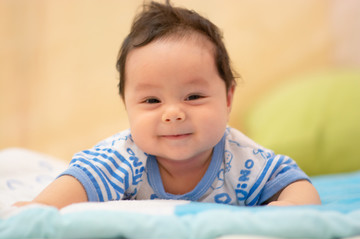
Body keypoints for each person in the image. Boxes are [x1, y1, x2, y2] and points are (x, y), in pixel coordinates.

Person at [15, 0, 321, 209]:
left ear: (228, 98)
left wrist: (291, 206)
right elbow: (81, 179)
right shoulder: (124, 156)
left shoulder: (242, 159)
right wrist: (40, 208)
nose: (173, 113)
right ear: (127, 106)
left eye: (193, 96)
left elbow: (293, 182)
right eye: (151, 100)